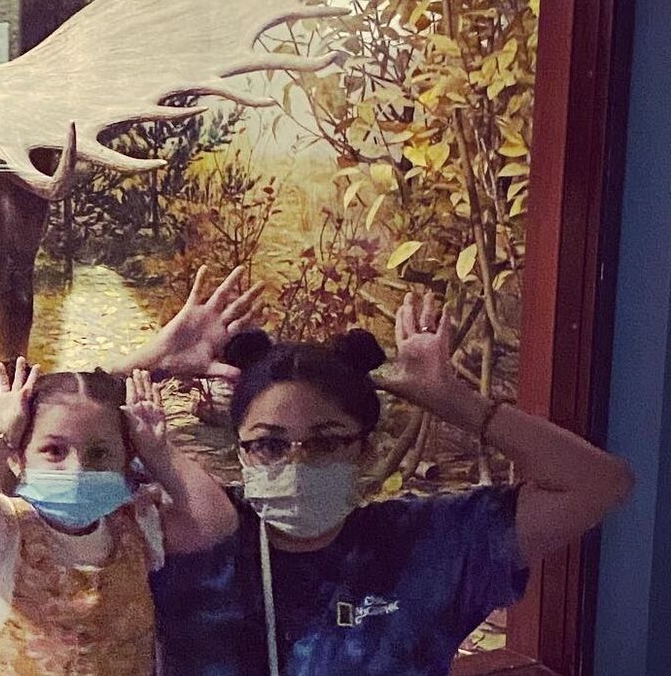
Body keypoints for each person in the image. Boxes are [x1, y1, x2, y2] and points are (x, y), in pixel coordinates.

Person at [114, 268, 634, 676]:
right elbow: (44, 456)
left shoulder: (428, 547)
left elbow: (599, 484)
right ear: (243, 450)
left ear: (363, 449)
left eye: (328, 440)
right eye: (270, 443)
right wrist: (147, 363)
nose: (298, 461)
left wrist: (452, 400)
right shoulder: (192, 535)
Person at [0, 361, 233, 675]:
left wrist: (159, 451)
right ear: (18, 457)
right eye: (53, 450)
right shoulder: (4, 531)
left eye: (100, 453)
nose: (77, 469)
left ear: (127, 459)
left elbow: (216, 520)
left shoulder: (137, 526)